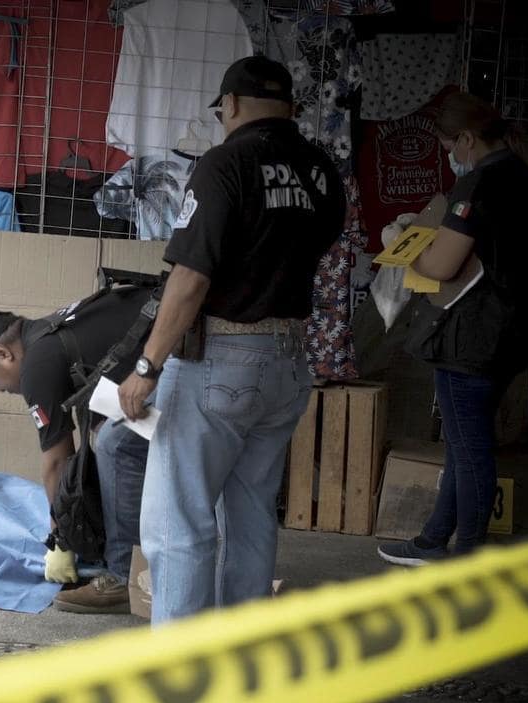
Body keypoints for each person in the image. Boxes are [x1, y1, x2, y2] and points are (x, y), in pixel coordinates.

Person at [117, 56, 346, 624]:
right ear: (289, 107)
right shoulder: (321, 169)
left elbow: (190, 278)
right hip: (290, 360)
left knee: (180, 522)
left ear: (233, 105)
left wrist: (147, 366)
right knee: (249, 515)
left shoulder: (225, 164)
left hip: (220, 361)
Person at [378, 93, 528, 566]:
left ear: (467, 139)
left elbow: (444, 265)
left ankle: (468, 557)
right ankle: (434, 539)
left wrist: (403, 244)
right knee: (462, 441)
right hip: (511, 330)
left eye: (450, 144)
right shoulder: (525, 177)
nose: (450, 155)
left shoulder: (479, 184)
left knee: (469, 449)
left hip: (471, 334)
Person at [0, 286, 154, 614]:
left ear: (3, 353)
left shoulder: (37, 366)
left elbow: (58, 461)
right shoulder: (52, 334)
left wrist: (61, 541)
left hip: (180, 353)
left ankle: (124, 575)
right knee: (111, 438)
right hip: (178, 349)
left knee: (116, 445)